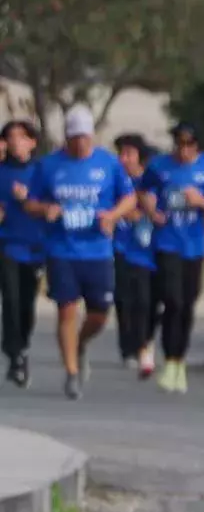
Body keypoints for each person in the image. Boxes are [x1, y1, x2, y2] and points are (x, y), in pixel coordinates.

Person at [25, 108, 138, 399]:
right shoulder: (49, 165)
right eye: (75, 138)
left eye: (85, 138)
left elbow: (129, 197)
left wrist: (112, 215)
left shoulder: (108, 164)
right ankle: (72, 373)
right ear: (67, 138)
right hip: (62, 249)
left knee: (100, 314)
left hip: (97, 250)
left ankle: (81, 342)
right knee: (66, 309)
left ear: (92, 137)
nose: (81, 144)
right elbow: (30, 202)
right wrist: (45, 209)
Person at [140, 122, 204, 394]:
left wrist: (202, 202)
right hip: (167, 242)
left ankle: (179, 362)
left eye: (189, 145)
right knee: (172, 300)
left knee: (187, 304)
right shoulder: (159, 166)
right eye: (179, 144)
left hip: (195, 246)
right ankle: (169, 358)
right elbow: (143, 190)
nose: (183, 150)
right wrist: (152, 210)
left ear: (197, 146)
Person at [112, 133, 159, 378]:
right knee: (124, 299)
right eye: (121, 153)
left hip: (148, 250)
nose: (124, 159)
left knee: (148, 301)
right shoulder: (115, 180)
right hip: (120, 248)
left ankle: (145, 340)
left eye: (128, 153)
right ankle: (129, 347)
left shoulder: (149, 181)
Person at [1, 119, 43, 388]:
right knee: (11, 300)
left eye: (22, 137)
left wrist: (31, 201)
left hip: (36, 247)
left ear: (32, 142)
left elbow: (54, 204)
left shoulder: (42, 172)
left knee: (27, 304)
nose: (16, 141)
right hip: (6, 244)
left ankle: (21, 347)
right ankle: (14, 354)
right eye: (11, 137)